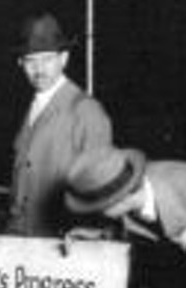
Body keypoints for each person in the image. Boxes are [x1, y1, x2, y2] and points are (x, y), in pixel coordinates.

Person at [9, 13, 112, 237]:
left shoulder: (86, 111)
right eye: (30, 60)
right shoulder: (32, 108)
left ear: (64, 59)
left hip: (62, 243)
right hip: (21, 240)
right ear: (20, 63)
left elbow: (103, 186)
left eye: (47, 59)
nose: (39, 69)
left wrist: (92, 231)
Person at [65, 145, 186, 249]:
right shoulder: (125, 189)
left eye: (99, 204)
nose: (91, 210)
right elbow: (127, 226)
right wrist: (96, 237)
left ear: (125, 196)